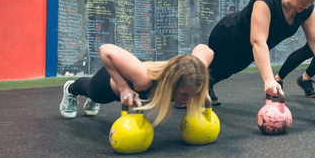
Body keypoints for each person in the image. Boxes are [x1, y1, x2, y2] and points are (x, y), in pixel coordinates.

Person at [207, 0, 315, 105]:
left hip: (247, 49)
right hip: (228, 37)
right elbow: (258, 41)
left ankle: (205, 87)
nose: (307, 7)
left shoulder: (306, 9)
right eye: (304, 2)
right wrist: (269, 80)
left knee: (226, 72)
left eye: (310, 3)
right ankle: (188, 91)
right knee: (214, 69)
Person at [59, 44, 214, 127]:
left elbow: (205, 49)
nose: (188, 100)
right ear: (171, 84)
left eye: (192, 94)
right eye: (184, 94)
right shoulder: (144, 80)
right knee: (90, 91)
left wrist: (200, 89)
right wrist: (123, 88)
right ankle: (70, 89)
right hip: (110, 84)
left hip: (135, 71)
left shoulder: (194, 71)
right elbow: (105, 50)